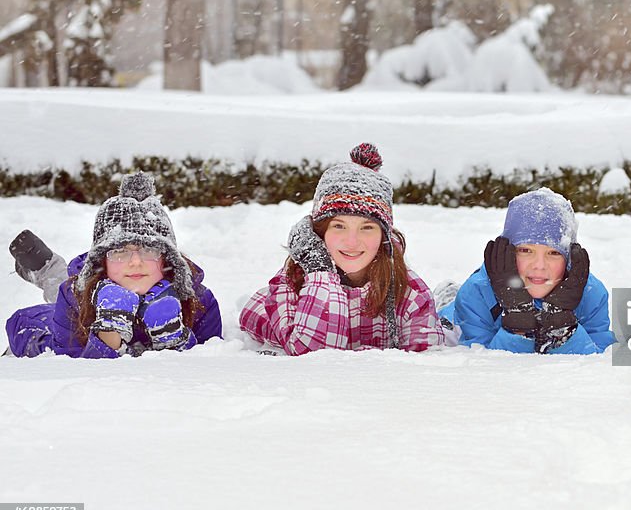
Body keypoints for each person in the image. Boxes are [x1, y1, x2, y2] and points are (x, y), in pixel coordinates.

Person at [240, 143, 444, 355]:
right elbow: (315, 356)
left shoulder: (409, 290)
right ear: (319, 233)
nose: (352, 241)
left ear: (384, 237)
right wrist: (320, 272)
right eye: (339, 226)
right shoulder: (291, 284)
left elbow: (427, 360)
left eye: (367, 228)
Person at [5, 173, 222, 358]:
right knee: (46, 316)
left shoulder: (199, 301)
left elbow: (205, 368)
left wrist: (173, 337)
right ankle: (50, 271)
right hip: (83, 296)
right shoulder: (72, 297)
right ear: (103, 261)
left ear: (167, 259)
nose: (135, 261)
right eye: (120, 251)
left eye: (149, 250)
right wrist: (109, 332)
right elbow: (72, 372)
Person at [439, 188, 615, 354]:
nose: (539, 265)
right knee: (447, 330)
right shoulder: (477, 292)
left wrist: (562, 328)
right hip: (462, 315)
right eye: (525, 251)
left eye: (553, 253)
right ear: (508, 252)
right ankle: (448, 296)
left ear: (569, 258)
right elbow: (479, 363)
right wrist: (517, 325)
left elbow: (599, 359)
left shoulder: (591, 293)